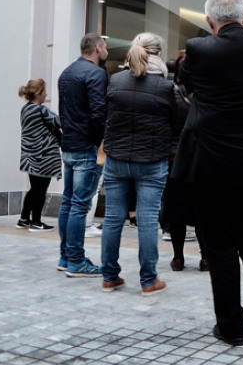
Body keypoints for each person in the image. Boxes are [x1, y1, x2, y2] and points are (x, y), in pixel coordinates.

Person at [170, 0, 243, 346]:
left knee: (219, 245)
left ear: (209, 21)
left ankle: (230, 325)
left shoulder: (199, 49)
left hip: (212, 163)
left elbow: (186, 81)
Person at [100, 32, 174, 296]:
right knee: (146, 220)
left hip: (117, 158)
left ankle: (109, 276)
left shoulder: (116, 80)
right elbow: (176, 123)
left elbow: (105, 116)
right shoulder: (165, 87)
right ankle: (148, 280)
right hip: (152, 161)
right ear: (159, 54)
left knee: (112, 219)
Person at [58, 33, 108, 276]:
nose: (106, 51)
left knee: (68, 202)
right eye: (105, 47)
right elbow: (99, 112)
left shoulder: (67, 72)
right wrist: (103, 142)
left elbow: (63, 111)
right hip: (87, 147)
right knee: (79, 205)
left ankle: (65, 257)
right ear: (98, 48)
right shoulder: (96, 73)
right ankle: (76, 260)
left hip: (69, 144)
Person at [164, 53, 208, 272]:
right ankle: (204, 257)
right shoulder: (205, 94)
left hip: (175, 158)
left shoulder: (169, 93)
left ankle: (178, 257)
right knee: (201, 210)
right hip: (198, 158)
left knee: (177, 210)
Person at [17, 78, 61, 232]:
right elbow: (59, 122)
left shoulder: (25, 109)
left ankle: (23, 218)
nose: (46, 94)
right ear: (38, 94)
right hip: (44, 156)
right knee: (40, 189)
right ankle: (36, 221)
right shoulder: (41, 110)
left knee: (34, 188)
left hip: (29, 155)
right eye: (44, 91)